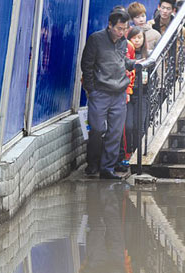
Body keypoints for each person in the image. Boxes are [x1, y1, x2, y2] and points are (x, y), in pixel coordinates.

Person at [80, 9, 135, 180]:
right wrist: (91, 90)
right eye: (119, 28)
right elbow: (86, 65)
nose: (121, 32)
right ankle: (93, 163)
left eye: (125, 29)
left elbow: (122, 61)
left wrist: (134, 63)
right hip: (100, 92)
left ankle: (107, 169)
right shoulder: (96, 39)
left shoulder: (123, 42)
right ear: (110, 25)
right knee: (97, 129)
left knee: (115, 132)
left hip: (119, 92)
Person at [124, 27, 150, 165]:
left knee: (139, 126)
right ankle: (128, 153)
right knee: (128, 126)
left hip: (143, 95)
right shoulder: (126, 54)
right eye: (134, 37)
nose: (137, 40)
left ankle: (136, 154)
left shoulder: (149, 56)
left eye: (140, 37)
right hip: (129, 94)